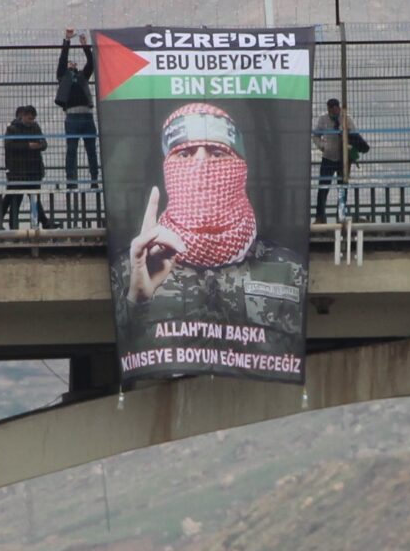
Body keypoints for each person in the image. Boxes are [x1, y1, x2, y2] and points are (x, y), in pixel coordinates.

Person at [118, 100, 307, 333]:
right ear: (168, 168)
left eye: (217, 153)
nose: (200, 163)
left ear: (240, 168)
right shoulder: (132, 269)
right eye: (185, 153)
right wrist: (138, 301)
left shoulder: (288, 269)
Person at [56, 29, 99, 186]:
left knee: (91, 150)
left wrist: (85, 45)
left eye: (73, 63)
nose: (72, 64)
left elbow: (92, 62)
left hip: (86, 117)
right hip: (73, 118)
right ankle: (71, 179)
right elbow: (62, 60)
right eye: (70, 63)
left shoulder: (82, 76)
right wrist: (67, 41)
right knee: (72, 150)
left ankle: (94, 178)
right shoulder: (63, 76)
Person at [0, 104, 50, 229]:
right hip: (18, 172)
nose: (31, 121)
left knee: (34, 199)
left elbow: (44, 143)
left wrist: (38, 145)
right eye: (29, 119)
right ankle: (13, 227)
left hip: (33, 171)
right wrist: (28, 146)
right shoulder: (13, 129)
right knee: (15, 201)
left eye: (33, 119)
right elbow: (9, 146)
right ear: (23, 116)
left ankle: (40, 224)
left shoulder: (35, 127)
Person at [312, 97, 357, 223]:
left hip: (344, 159)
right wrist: (322, 146)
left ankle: (340, 216)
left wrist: (349, 144)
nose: (333, 111)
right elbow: (315, 135)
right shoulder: (323, 120)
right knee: (323, 188)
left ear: (338, 108)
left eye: (335, 108)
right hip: (328, 157)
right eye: (330, 109)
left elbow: (355, 136)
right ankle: (320, 217)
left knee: (342, 189)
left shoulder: (346, 120)